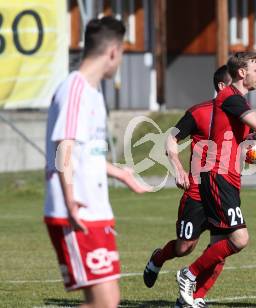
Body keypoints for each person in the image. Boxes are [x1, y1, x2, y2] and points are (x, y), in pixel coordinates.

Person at [176, 51, 256, 306]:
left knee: (221, 243)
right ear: (242, 72)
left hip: (229, 177)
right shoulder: (231, 97)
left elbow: (240, 145)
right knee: (239, 238)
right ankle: (188, 274)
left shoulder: (238, 103)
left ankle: (191, 299)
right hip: (218, 176)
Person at [44, 16, 149, 308]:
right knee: (104, 302)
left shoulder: (93, 93)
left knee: (108, 300)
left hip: (96, 209)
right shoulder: (74, 89)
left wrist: (121, 174)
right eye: (122, 55)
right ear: (113, 52)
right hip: (77, 210)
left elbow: (85, 154)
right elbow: (63, 148)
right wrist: (70, 201)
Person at [143, 65, 232, 308]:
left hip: (223, 193)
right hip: (197, 193)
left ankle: (197, 296)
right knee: (185, 247)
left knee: (222, 245)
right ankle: (158, 258)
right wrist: (179, 168)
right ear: (222, 87)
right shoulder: (199, 112)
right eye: (236, 84)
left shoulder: (240, 115)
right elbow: (171, 138)